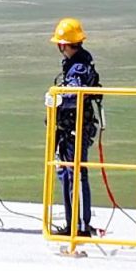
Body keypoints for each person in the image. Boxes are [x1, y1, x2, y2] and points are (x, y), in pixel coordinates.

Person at [48, 17, 104, 238]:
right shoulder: (75, 63)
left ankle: (80, 226)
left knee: (75, 176)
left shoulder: (79, 66)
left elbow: (75, 94)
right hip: (69, 128)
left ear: (65, 44)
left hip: (76, 127)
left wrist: (58, 98)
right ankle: (74, 223)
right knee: (68, 174)